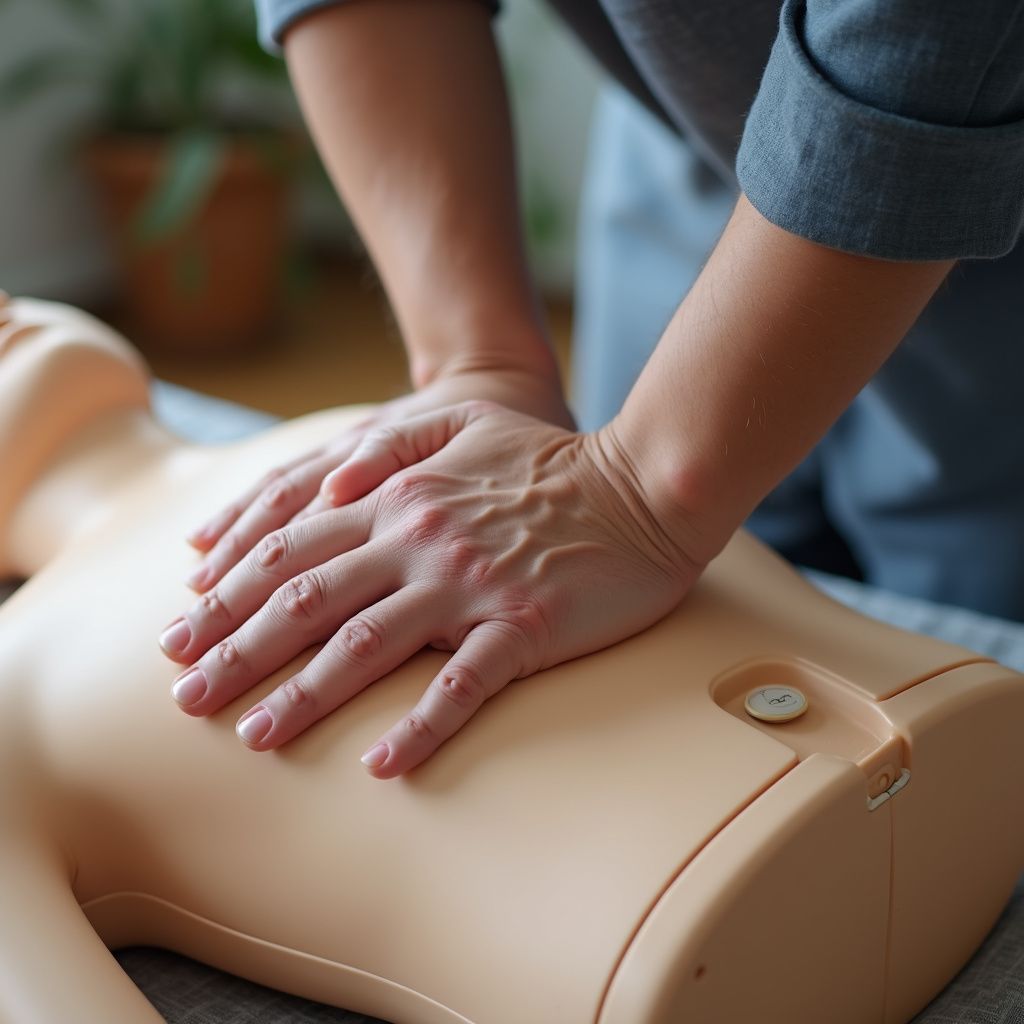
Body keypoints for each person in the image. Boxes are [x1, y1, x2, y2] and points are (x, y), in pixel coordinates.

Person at [13, 293, 1013, 1024]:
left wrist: (603, 472)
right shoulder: (19, 680)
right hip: (666, 928)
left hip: (937, 712)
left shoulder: (373, 433)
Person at [157, 0, 1024, 778]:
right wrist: (477, 360)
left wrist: (636, 497)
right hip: (695, 115)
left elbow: (934, 38)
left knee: (955, 727)